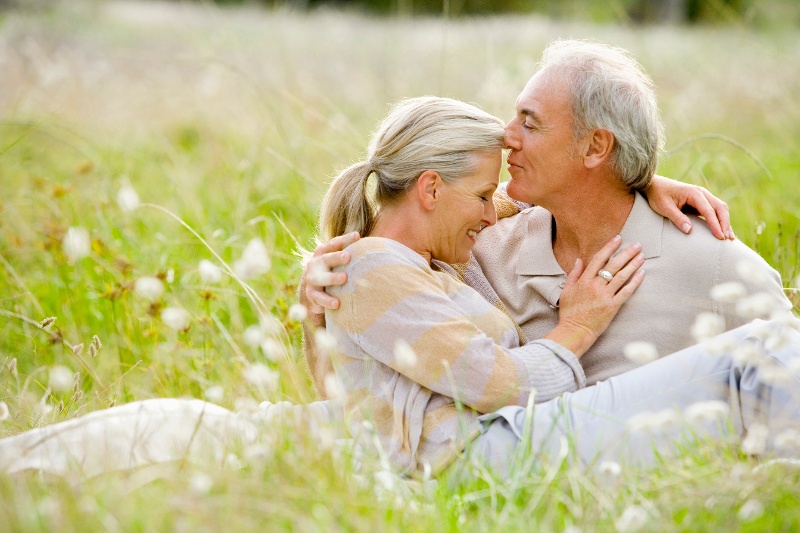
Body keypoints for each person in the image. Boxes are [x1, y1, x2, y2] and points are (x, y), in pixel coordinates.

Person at [307, 95, 800, 477]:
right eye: (480, 195)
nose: (489, 212)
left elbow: (524, 198)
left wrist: (639, 181)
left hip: (497, 447)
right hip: (482, 458)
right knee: (761, 353)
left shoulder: (412, 257)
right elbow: (502, 385)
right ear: (431, 188)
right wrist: (579, 326)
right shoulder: (373, 267)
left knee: (752, 369)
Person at [302, 39, 793, 388]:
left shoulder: (716, 267)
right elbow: (371, 391)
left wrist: (640, 181)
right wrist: (319, 310)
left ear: (596, 147)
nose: (506, 135)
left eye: (530, 123)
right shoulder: (480, 246)